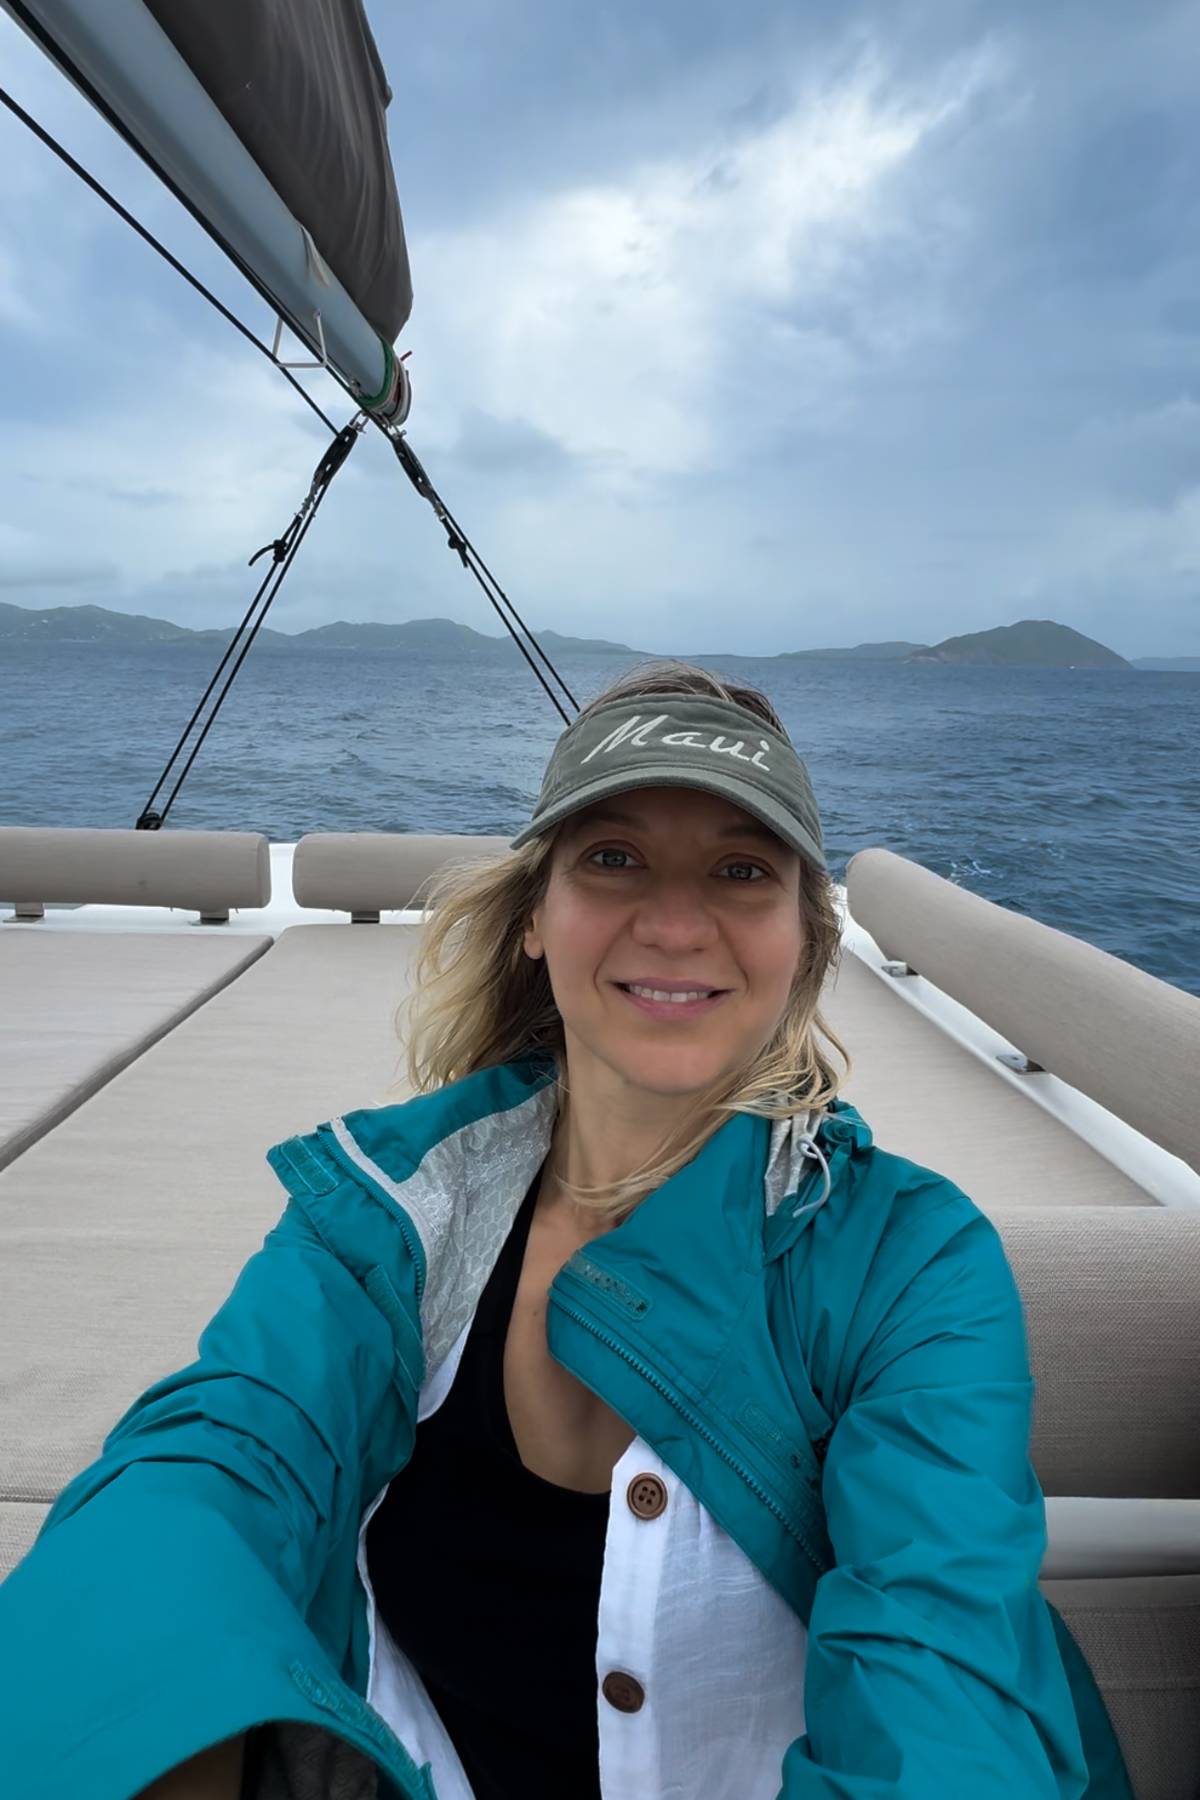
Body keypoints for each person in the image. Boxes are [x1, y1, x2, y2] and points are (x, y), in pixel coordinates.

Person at [0, 661, 1130, 1800]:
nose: (677, 924)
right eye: (614, 858)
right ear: (537, 918)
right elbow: (211, 1464)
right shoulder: (386, 1212)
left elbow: (941, 1680)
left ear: (806, 947)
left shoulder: (907, 1260)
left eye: (742, 870)